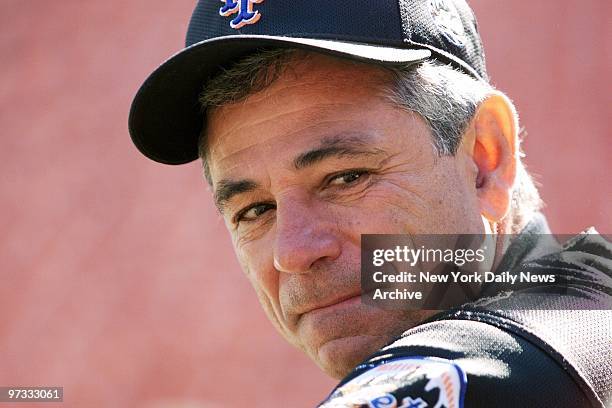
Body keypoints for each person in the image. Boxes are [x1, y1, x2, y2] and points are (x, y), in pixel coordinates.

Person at [128, 0, 611, 406]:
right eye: (255, 210)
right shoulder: (592, 294)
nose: (294, 253)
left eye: (345, 177)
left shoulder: (485, 367)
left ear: (485, 159)